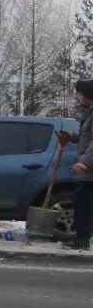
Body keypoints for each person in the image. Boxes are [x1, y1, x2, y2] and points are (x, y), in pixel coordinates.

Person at [67, 79, 93, 249]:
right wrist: (72, 137)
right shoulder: (89, 114)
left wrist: (84, 163)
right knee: (82, 201)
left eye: (80, 93)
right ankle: (82, 237)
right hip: (89, 172)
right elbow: (86, 138)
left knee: (83, 202)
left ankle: (82, 239)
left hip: (90, 170)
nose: (78, 97)